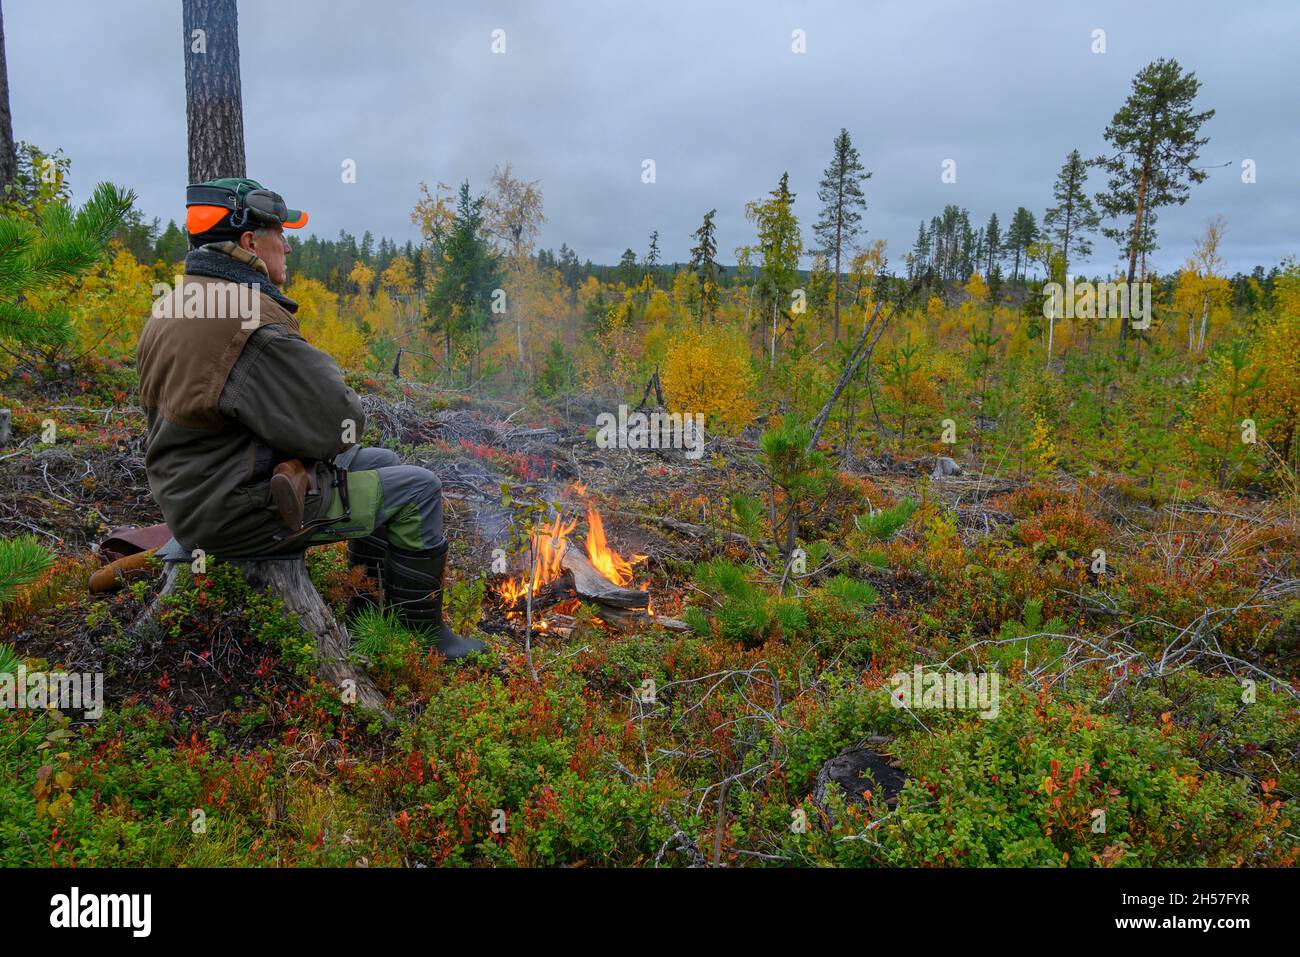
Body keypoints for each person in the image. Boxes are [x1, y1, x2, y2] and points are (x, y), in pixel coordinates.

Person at [135, 177, 483, 660]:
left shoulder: (177, 302)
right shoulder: (249, 317)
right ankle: (422, 637)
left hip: (192, 489)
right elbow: (339, 421)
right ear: (250, 243)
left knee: (382, 460)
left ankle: (366, 607)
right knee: (419, 489)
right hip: (236, 508)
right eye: (281, 233)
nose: (289, 246)